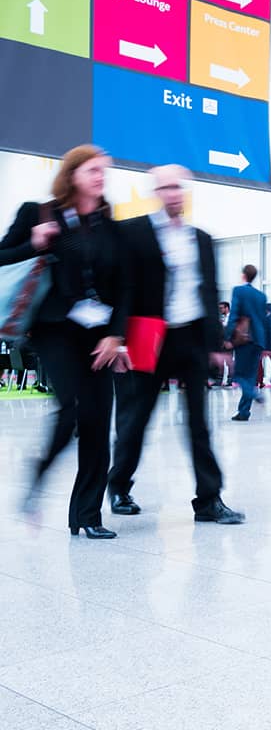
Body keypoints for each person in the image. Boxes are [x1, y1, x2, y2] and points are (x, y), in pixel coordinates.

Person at [2, 145, 128, 538]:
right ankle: (37, 477)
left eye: (104, 172)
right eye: (92, 170)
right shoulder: (37, 213)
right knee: (71, 407)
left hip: (98, 335)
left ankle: (87, 516)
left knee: (96, 422)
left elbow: (125, 288)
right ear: (72, 174)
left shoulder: (111, 227)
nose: (100, 178)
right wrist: (33, 243)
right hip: (54, 329)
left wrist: (116, 335)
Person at [107, 165, 245, 524]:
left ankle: (209, 499)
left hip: (190, 339)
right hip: (147, 337)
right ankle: (119, 484)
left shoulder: (201, 238)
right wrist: (118, 338)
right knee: (136, 419)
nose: (173, 194)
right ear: (156, 191)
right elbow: (124, 288)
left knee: (199, 422)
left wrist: (216, 344)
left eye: (178, 187)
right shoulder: (134, 233)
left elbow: (210, 291)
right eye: (166, 188)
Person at [226, 264, 269, 421]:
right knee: (251, 376)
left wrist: (227, 337)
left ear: (243, 275)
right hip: (258, 340)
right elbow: (265, 320)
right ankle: (244, 412)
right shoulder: (261, 296)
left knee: (238, 375)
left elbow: (234, 314)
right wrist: (266, 344)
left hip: (244, 339)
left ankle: (254, 394)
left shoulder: (239, 291)